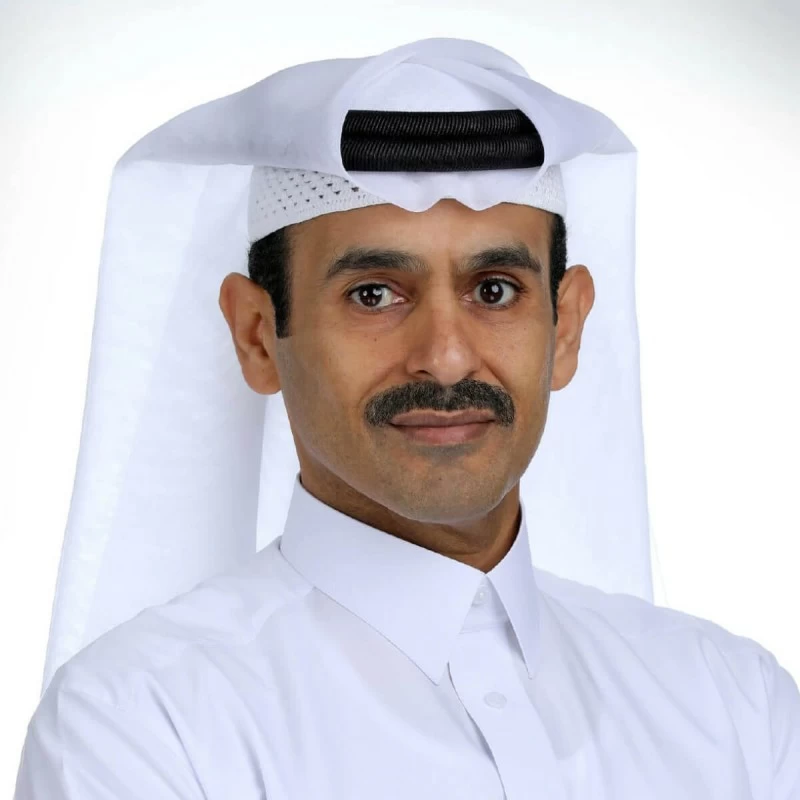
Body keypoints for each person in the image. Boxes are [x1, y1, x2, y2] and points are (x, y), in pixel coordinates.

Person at [13, 37, 800, 799]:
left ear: (565, 328)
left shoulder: (735, 706)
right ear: (257, 335)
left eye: (495, 290)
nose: (446, 359)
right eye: (374, 294)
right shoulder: (141, 728)